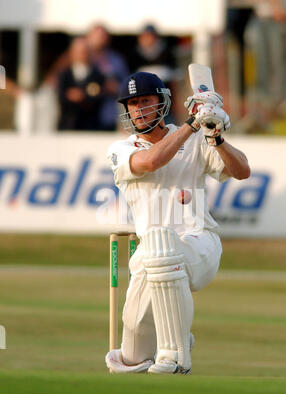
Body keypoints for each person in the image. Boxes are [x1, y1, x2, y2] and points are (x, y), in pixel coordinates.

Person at [105, 72, 250, 374]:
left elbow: (242, 171)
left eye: (146, 100)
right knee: (132, 357)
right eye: (133, 104)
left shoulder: (198, 140)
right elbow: (151, 162)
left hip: (200, 243)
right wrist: (194, 123)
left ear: (162, 101)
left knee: (160, 242)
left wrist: (216, 136)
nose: (139, 109)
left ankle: (176, 356)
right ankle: (176, 333)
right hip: (150, 260)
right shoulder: (120, 149)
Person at [128, 24, 181, 124]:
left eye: (151, 36)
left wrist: (176, 106)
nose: (149, 40)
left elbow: (174, 84)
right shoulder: (134, 57)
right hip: (143, 108)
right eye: (146, 37)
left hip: (166, 107)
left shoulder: (167, 55)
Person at [87, 24, 129, 130]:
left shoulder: (116, 60)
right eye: (96, 36)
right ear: (89, 37)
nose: (99, 40)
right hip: (85, 116)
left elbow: (128, 87)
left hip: (108, 115)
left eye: (102, 36)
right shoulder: (82, 57)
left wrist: (115, 88)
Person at [57, 37, 105, 131]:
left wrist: (83, 96)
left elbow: (98, 97)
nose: (82, 54)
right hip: (67, 126)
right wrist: (70, 97)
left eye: (85, 51)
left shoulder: (97, 75)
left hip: (90, 127)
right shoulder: (64, 74)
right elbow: (60, 96)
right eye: (79, 51)